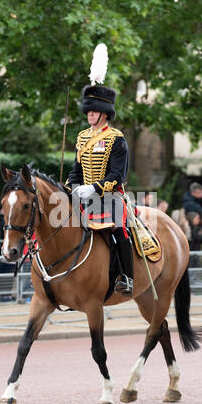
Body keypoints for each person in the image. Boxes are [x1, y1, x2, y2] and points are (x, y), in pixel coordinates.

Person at [65, 84, 133, 296]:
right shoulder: (82, 137)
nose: (90, 113)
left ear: (105, 113)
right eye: (88, 110)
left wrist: (93, 188)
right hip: (84, 196)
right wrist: (70, 189)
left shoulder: (116, 138)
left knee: (119, 229)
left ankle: (127, 277)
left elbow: (117, 176)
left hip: (110, 196)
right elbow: (76, 171)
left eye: (94, 110)